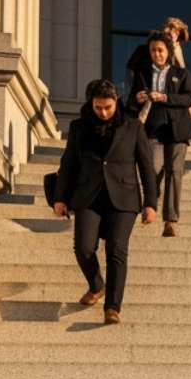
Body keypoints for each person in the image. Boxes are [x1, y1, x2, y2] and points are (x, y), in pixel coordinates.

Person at [52, 80, 157, 325]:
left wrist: (150, 203)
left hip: (124, 197)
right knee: (83, 247)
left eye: (108, 107)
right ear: (91, 104)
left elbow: (147, 167)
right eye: (98, 107)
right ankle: (97, 285)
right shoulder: (79, 127)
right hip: (88, 195)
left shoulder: (133, 127)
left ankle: (112, 307)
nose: (104, 112)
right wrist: (60, 197)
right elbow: (68, 164)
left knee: (116, 249)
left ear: (116, 102)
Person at [129, 30, 191, 237]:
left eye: (160, 50)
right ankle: (151, 203)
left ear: (168, 51)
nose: (157, 54)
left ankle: (170, 221)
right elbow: (130, 102)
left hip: (178, 130)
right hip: (152, 129)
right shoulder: (142, 73)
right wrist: (137, 98)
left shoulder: (181, 74)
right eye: (153, 50)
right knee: (152, 169)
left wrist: (165, 97)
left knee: (174, 174)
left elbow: (190, 98)